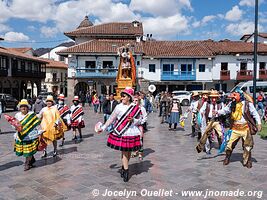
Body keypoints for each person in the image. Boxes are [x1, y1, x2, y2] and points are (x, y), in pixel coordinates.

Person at [98, 87, 142, 182]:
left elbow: (140, 120)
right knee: (124, 151)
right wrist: (103, 127)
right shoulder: (118, 107)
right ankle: (126, 171)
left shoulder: (135, 107)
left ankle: (123, 166)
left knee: (128, 151)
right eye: (121, 97)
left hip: (131, 131)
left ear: (129, 97)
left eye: (123, 96)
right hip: (121, 132)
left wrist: (133, 120)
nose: (121, 98)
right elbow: (111, 119)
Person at [216, 90, 261, 168]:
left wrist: (259, 123)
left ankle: (248, 161)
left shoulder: (247, 104)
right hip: (235, 128)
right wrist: (217, 112)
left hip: (245, 128)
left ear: (240, 95)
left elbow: (255, 113)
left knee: (247, 146)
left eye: (235, 95)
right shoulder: (232, 104)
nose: (233, 97)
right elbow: (225, 110)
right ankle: (227, 158)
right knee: (229, 144)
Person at [14, 99, 42, 170]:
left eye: (25, 106)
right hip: (21, 136)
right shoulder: (17, 115)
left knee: (28, 150)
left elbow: (37, 124)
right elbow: (14, 125)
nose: (23, 108)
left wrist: (39, 132)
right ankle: (31, 159)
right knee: (25, 150)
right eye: (22, 106)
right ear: (19, 108)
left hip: (30, 136)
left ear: (27, 107)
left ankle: (27, 163)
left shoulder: (31, 115)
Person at [132, 95, 147, 160]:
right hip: (132, 126)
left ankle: (140, 154)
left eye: (136, 100)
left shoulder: (142, 108)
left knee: (140, 140)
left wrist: (141, 122)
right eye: (133, 100)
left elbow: (145, 117)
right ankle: (135, 151)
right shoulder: (131, 108)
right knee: (133, 139)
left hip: (139, 126)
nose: (134, 102)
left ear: (139, 101)